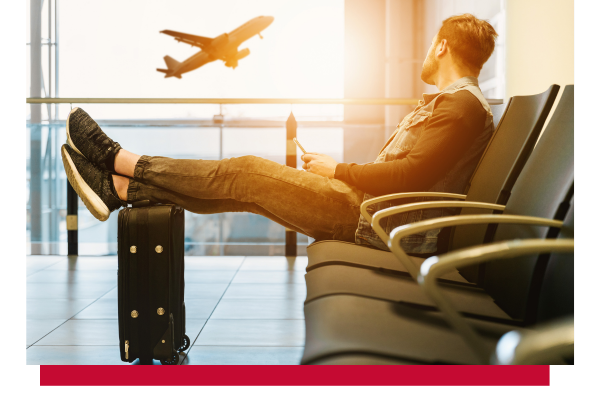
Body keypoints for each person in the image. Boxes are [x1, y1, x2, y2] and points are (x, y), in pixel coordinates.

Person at [61, 13, 498, 255]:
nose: (425, 54)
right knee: (246, 192)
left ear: (441, 46)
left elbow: (411, 176)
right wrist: (340, 173)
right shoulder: (456, 105)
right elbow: (411, 173)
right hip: (372, 214)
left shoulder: (460, 106)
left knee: (245, 172)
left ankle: (118, 159)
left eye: (429, 46)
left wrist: (339, 169)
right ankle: (121, 189)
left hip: (374, 222)